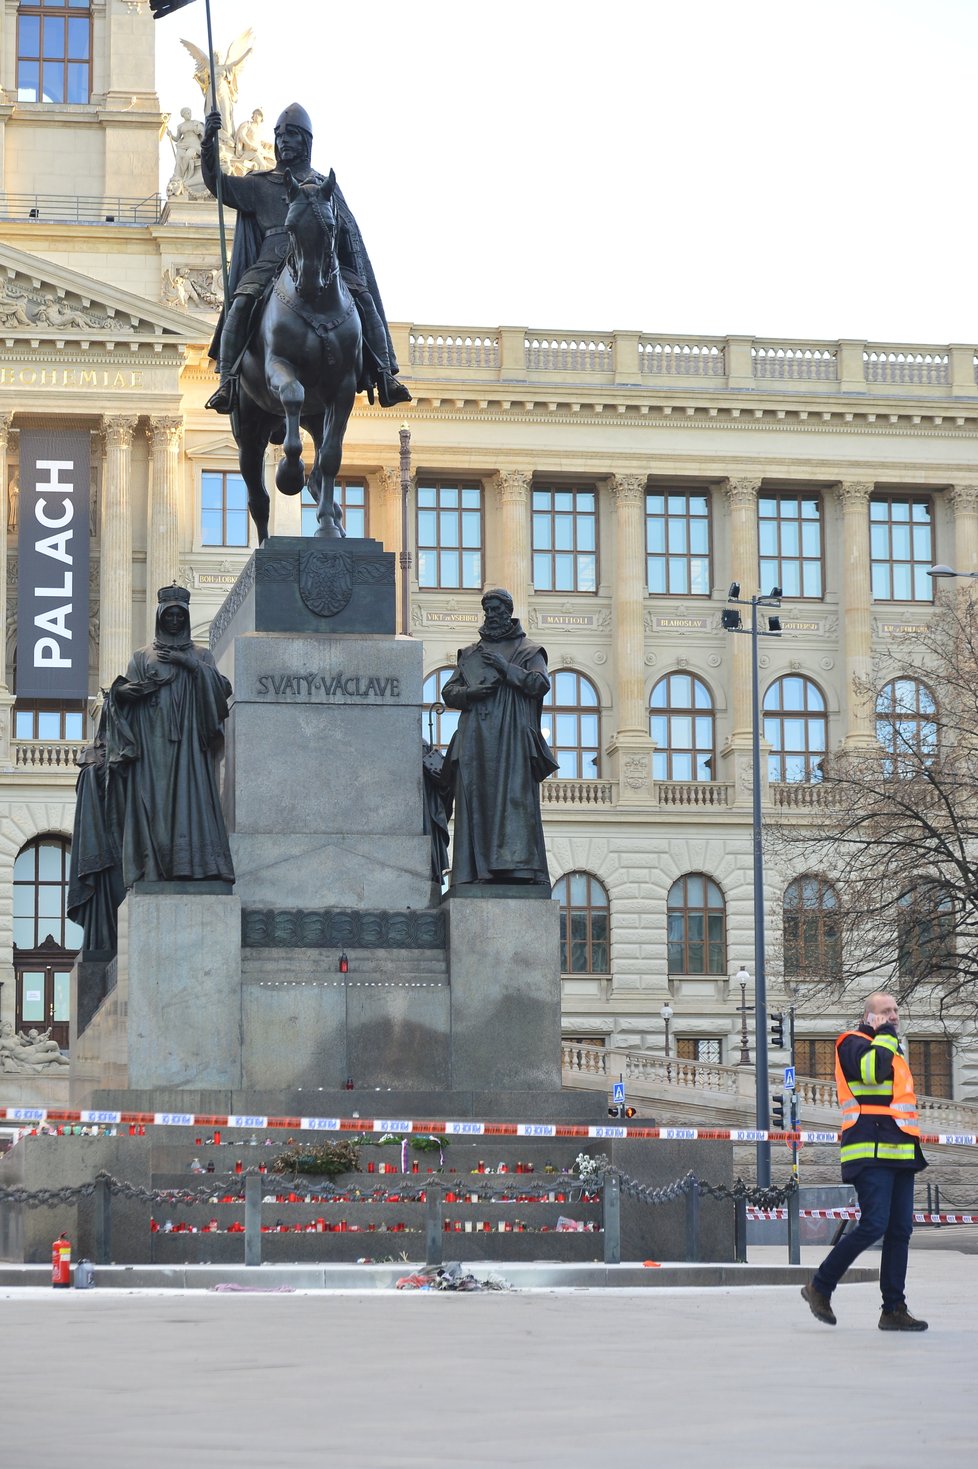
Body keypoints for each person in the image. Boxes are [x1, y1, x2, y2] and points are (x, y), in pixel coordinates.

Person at [200, 102, 411, 414]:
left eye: (293, 135)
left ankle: (383, 374)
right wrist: (209, 141)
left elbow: (343, 231)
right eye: (280, 135)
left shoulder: (324, 186)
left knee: (363, 298)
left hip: (323, 263)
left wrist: (340, 264)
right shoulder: (260, 184)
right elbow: (217, 181)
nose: (284, 140)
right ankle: (228, 380)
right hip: (270, 264)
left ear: (306, 142)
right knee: (242, 300)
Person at [801, 992, 928, 1331]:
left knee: (900, 1230)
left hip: (900, 1151)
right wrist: (886, 1036)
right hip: (870, 1151)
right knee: (874, 1224)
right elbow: (872, 1074)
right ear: (870, 1016)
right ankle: (820, 1286)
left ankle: (893, 1310)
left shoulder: (892, 1050)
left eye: (896, 1011)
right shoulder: (853, 1043)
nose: (894, 1016)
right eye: (886, 1011)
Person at [106, 585, 234, 887]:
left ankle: (194, 866)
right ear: (160, 617)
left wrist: (189, 665)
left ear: (186, 618)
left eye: (179, 615)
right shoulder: (142, 656)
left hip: (191, 745)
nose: (174, 620)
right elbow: (122, 696)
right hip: (153, 743)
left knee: (193, 802)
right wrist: (126, 691)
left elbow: (222, 688)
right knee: (155, 803)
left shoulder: (201, 655)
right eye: (169, 615)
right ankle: (154, 867)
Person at [441, 588, 558, 886]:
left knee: (513, 803)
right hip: (477, 739)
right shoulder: (470, 654)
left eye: (496, 610)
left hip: (511, 741)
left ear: (508, 611)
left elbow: (539, 684)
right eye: (487, 610)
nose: (491, 616)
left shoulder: (529, 650)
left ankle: (516, 870)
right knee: (475, 802)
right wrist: (471, 693)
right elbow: (449, 692)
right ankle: (473, 872)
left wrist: (506, 669)